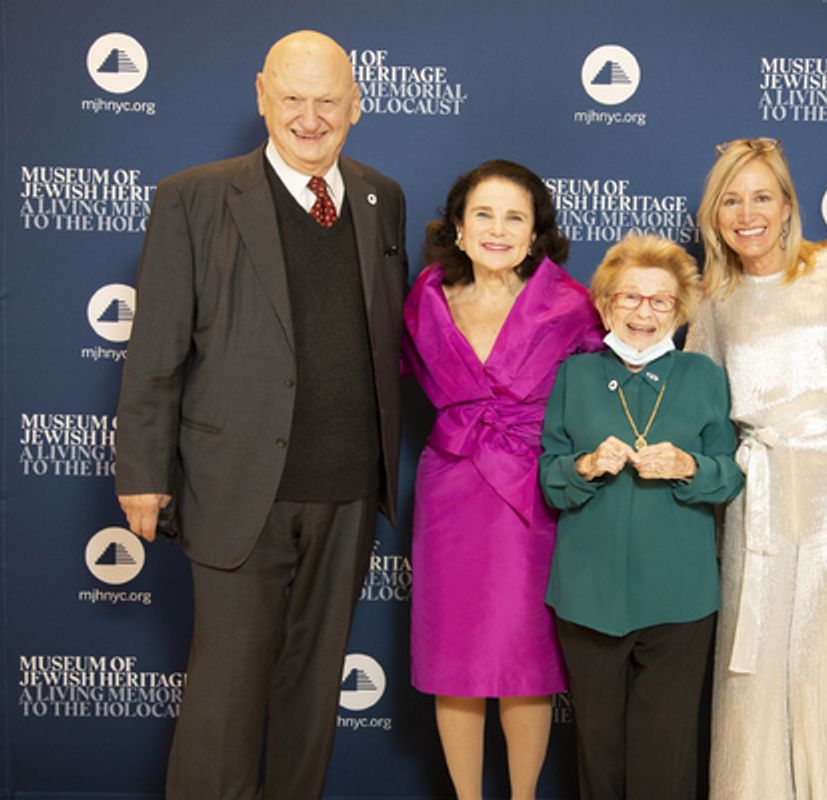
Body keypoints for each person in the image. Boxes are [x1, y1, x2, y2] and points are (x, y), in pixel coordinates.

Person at [114, 31, 407, 799]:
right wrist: (142, 471)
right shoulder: (194, 197)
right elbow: (155, 348)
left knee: (312, 701)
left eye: (327, 102)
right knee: (225, 701)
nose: (310, 119)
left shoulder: (382, 198)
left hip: (346, 491)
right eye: (292, 100)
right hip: (236, 485)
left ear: (357, 105)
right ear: (261, 96)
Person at [686, 138, 827, 798]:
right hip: (756, 490)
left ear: (789, 204)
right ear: (713, 215)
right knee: (756, 656)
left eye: (762, 197)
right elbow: (698, 401)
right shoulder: (713, 298)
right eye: (731, 200)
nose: (747, 214)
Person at [403, 159, 603, 800]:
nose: (497, 229)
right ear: (458, 228)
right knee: (453, 661)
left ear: (535, 232)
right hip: (450, 489)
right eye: (483, 214)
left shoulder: (569, 305)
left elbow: (598, 401)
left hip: (528, 497)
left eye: (514, 216)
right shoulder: (427, 297)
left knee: (524, 662)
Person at [540, 234, 743, 800]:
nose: (643, 313)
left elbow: (728, 477)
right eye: (629, 298)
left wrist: (688, 466)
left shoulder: (704, 377)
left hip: (679, 598)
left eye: (660, 301)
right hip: (588, 594)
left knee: (666, 753)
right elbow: (550, 480)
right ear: (605, 304)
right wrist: (583, 466)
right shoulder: (573, 377)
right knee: (598, 750)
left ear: (680, 312)